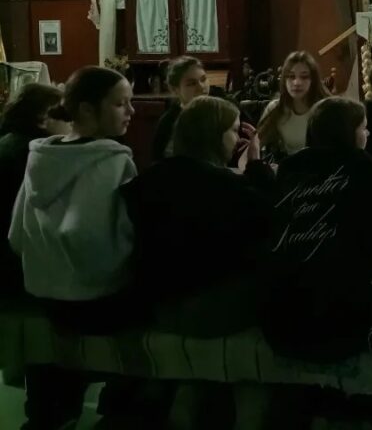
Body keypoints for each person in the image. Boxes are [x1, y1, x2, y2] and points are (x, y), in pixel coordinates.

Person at [7, 67, 140, 430]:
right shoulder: (111, 161)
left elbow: (16, 236)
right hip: (94, 299)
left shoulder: (41, 156)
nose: (131, 111)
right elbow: (88, 236)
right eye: (120, 104)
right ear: (86, 109)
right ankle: (119, 413)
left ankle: (49, 414)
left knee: (52, 358)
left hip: (45, 297)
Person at [123, 96, 274, 337]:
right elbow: (270, 219)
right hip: (209, 313)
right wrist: (256, 164)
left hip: (157, 307)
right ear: (213, 134)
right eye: (233, 130)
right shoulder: (227, 187)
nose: (237, 140)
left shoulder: (148, 179)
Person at [263, 97, 372, 363]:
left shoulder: (290, 166)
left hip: (280, 322)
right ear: (348, 132)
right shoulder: (362, 165)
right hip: (340, 326)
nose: (367, 134)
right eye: (363, 128)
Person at [0, 83, 68, 294]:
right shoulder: (35, 156)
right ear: (43, 119)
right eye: (64, 115)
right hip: (15, 268)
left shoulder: (9, 142)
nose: (71, 123)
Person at [259, 51, 330, 160]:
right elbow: (257, 143)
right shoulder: (276, 108)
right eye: (291, 76)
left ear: (313, 80)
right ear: (284, 79)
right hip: (291, 167)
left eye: (304, 77)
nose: (297, 82)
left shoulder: (326, 109)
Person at [151, 56, 210, 161]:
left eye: (203, 79)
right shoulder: (169, 121)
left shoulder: (224, 111)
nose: (201, 87)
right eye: (192, 83)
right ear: (175, 90)